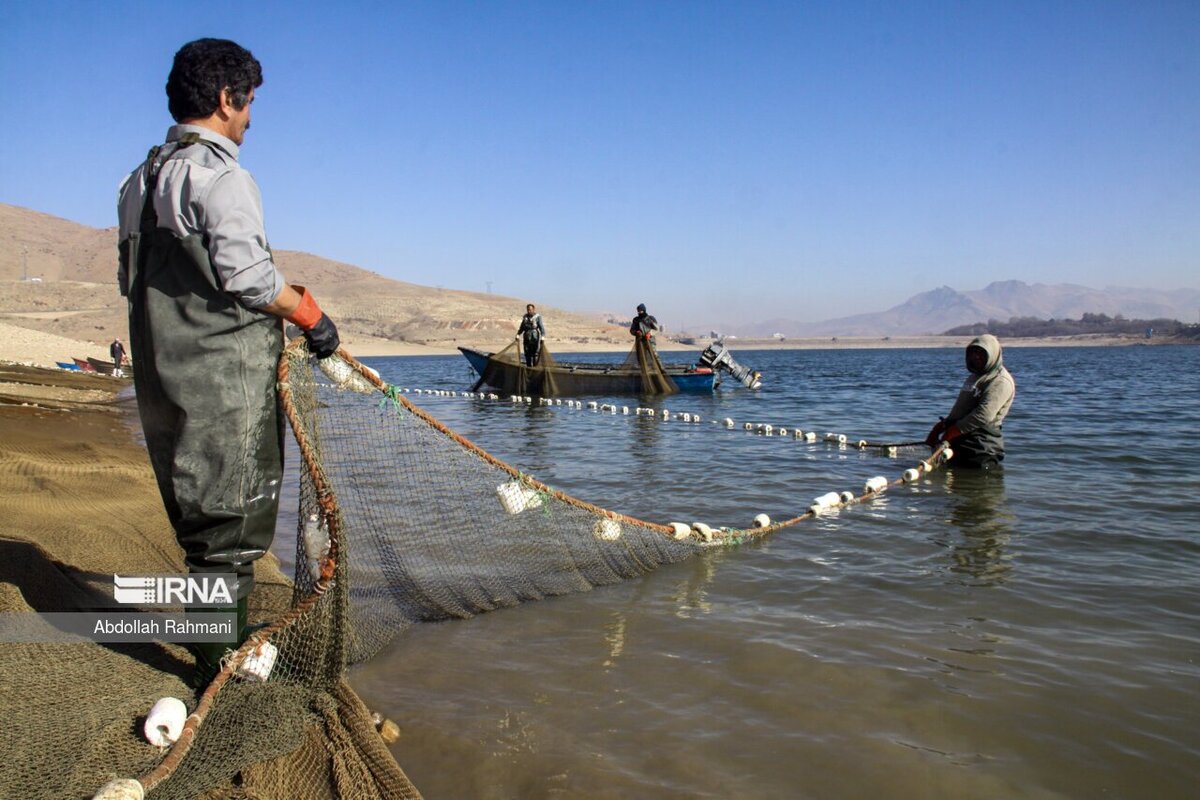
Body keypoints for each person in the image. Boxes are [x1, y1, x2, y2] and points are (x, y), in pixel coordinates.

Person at [117, 38, 340, 687]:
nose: (249, 119)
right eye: (248, 105)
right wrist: (311, 316)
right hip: (222, 382)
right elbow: (249, 279)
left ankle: (218, 638)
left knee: (203, 524)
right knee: (231, 529)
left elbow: (132, 282)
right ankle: (219, 660)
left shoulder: (138, 182)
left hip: (163, 380)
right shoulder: (222, 177)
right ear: (226, 99)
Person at [925, 334, 1015, 468]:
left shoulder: (1000, 381)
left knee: (976, 485)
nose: (976, 357)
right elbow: (962, 407)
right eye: (973, 352)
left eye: (981, 353)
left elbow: (983, 415)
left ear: (992, 355)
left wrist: (952, 432)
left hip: (981, 447)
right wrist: (942, 426)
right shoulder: (975, 377)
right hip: (962, 442)